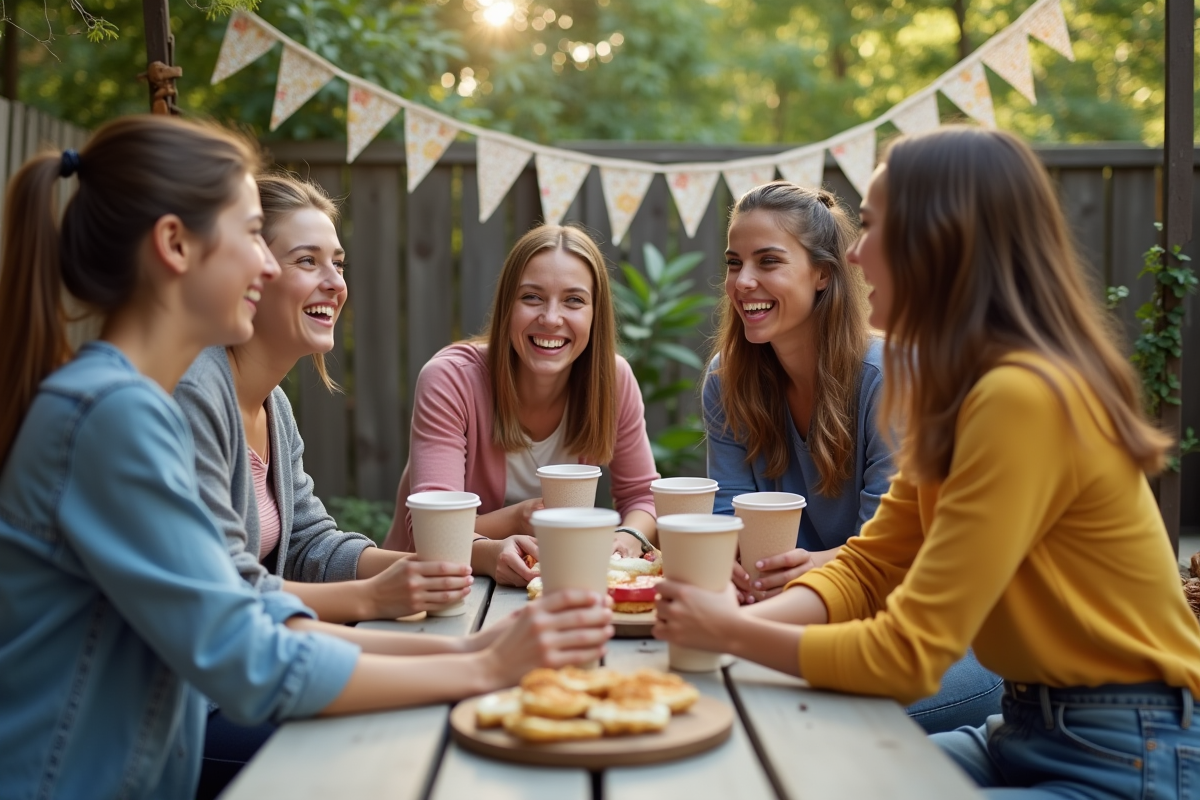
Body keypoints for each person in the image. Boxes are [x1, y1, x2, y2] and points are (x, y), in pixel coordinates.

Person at [0, 116, 611, 800]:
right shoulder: (116, 415)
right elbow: (249, 655)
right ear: (174, 245)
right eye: (251, 237)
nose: (265, 264)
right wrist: (481, 666)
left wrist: (470, 649)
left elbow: (249, 597)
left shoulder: (127, 403)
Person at [655, 127, 1200, 798]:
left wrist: (729, 634)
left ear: (939, 240)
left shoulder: (1023, 396)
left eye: (873, 226)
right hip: (1026, 727)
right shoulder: (959, 392)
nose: (854, 253)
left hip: (1127, 749)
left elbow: (909, 652)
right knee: (808, 775)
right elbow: (870, 564)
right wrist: (719, 631)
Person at [704, 180, 1000, 734]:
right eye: (734, 262)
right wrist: (727, 578)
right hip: (804, 615)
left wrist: (813, 568)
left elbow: (892, 560)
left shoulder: (888, 378)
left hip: (941, 637)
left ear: (823, 273)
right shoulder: (728, 379)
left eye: (768, 261)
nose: (743, 283)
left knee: (793, 717)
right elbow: (726, 517)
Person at [175, 173, 469, 626]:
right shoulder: (195, 394)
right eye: (307, 261)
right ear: (252, 272)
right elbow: (221, 587)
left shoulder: (275, 408)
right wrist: (371, 599)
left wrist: (441, 567)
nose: (335, 283)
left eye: (338, 263)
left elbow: (307, 544)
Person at [382, 224, 660, 586]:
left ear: (596, 313)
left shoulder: (613, 380)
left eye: (574, 300)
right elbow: (432, 530)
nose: (551, 318)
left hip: (550, 588)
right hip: (427, 594)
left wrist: (627, 538)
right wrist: (516, 522)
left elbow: (642, 496)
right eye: (531, 297)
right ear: (506, 307)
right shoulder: (451, 379)